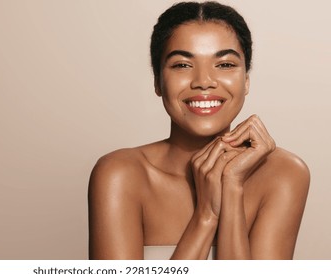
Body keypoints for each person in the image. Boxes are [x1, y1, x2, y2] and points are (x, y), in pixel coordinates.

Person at [88, 1, 309, 260]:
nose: (204, 81)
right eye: (182, 65)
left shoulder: (284, 174)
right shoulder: (120, 175)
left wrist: (232, 188)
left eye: (225, 64)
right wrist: (206, 215)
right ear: (158, 82)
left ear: (246, 81)